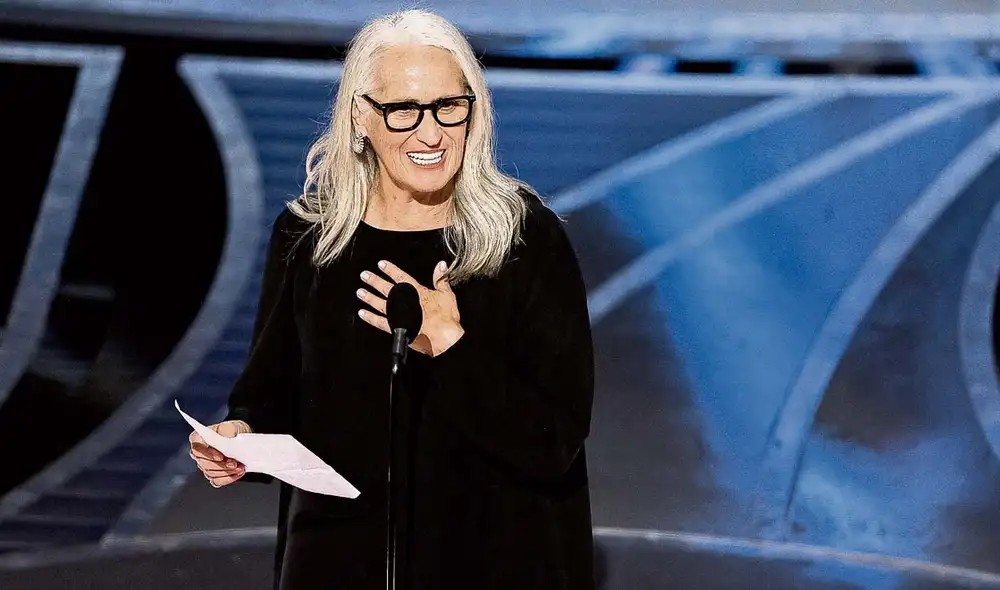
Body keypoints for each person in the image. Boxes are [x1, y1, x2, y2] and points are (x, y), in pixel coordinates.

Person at [187, 9, 595, 590]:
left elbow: (554, 443)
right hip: (337, 557)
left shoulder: (526, 239)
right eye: (403, 111)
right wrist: (239, 440)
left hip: (495, 559)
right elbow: (269, 392)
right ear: (360, 117)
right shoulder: (310, 236)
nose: (430, 134)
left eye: (449, 107)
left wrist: (452, 347)